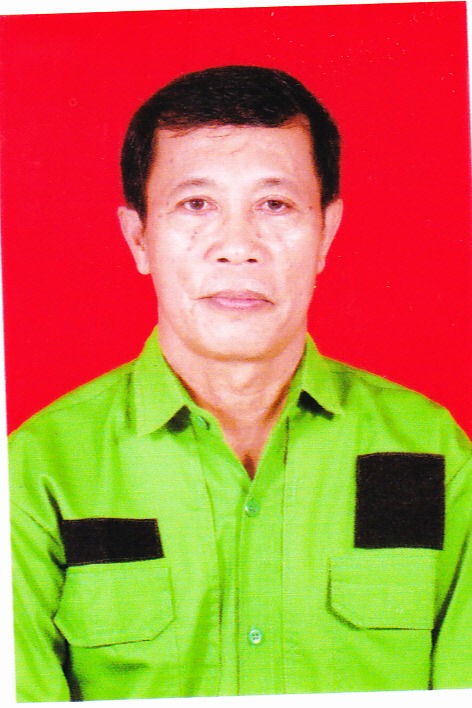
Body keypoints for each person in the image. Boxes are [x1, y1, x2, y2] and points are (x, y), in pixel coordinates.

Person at [9, 65, 472, 702]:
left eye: (274, 205)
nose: (237, 247)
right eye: (196, 205)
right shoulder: (41, 470)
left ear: (326, 233)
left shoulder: (430, 451)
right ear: (139, 238)